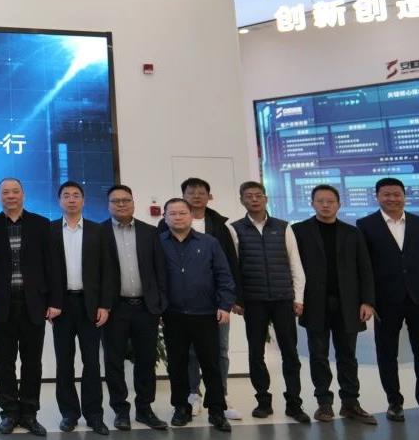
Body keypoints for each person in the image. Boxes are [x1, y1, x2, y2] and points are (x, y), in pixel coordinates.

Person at [0, 177, 58, 437]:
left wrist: (54, 301)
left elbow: (51, 265)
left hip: (34, 302)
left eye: (15, 191)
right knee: (4, 362)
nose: (10, 196)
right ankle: (9, 412)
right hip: (1, 304)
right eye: (5, 192)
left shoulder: (41, 224)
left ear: (23, 195)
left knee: (32, 362)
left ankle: (30, 413)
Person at [159, 177, 243, 419]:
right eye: (172, 214)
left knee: (211, 361)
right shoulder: (158, 243)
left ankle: (217, 410)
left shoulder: (210, 242)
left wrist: (225, 304)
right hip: (173, 314)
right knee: (178, 363)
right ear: (165, 218)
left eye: (182, 213)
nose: (178, 217)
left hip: (207, 312)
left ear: (191, 216)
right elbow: (153, 278)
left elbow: (224, 274)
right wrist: (158, 309)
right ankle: (181, 407)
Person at [293, 184, 376, 424]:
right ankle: (324, 404)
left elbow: (365, 268)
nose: (325, 205)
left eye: (330, 201)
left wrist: (368, 301)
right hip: (314, 303)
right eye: (320, 201)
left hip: (348, 304)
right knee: (318, 355)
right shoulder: (299, 231)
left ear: (339, 204)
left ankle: (350, 403)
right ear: (312, 203)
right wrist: (296, 298)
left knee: (348, 355)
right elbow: (292, 268)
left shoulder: (353, 233)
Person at [226, 181, 308, 423]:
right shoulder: (234, 229)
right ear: (242, 200)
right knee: (256, 353)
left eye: (258, 195)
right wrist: (237, 299)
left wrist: (299, 297)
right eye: (249, 196)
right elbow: (234, 268)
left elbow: (295, 263)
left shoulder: (283, 227)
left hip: (283, 299)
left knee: (290, 352)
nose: (254, 199)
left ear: (266, 198)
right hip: (254, 301)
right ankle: (263, 401)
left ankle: (294, 403)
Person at [50, 180, 117, 436]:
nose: (71, 199)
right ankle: (69, 414)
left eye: (76, 195)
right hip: (62, 306)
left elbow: (108, 270)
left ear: (83, 200)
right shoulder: (50, 230)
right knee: (64, 362)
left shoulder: (97, 231)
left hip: (90, 305)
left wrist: (105, 305)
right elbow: (44, 271)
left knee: (92, 363)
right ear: (59, 201)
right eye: (66, 195)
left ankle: (94, 415)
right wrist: (50, 303)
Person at [101, 184, 168, 431]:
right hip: (114, 307)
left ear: (133, 203)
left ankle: (144, 409)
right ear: (108, 205)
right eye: (115, 201)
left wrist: (160, 304)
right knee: (114, 361)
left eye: (125, 200)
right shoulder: (99, 232)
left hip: (145, 307)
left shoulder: (150, 232)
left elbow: (160, 270)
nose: (121, 204)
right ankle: (120, 410)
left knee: (146, 360)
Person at [356, 177, 418, 423]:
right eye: (386, 194)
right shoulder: (365, 225)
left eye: (396, 194)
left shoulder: (416, 222)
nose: (392, 198)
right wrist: (367, 300)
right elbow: (364, 266)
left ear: (404, 196)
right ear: (377, 197)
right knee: (387, 353)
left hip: (417, 298)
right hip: (384, 300)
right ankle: (394, 402)